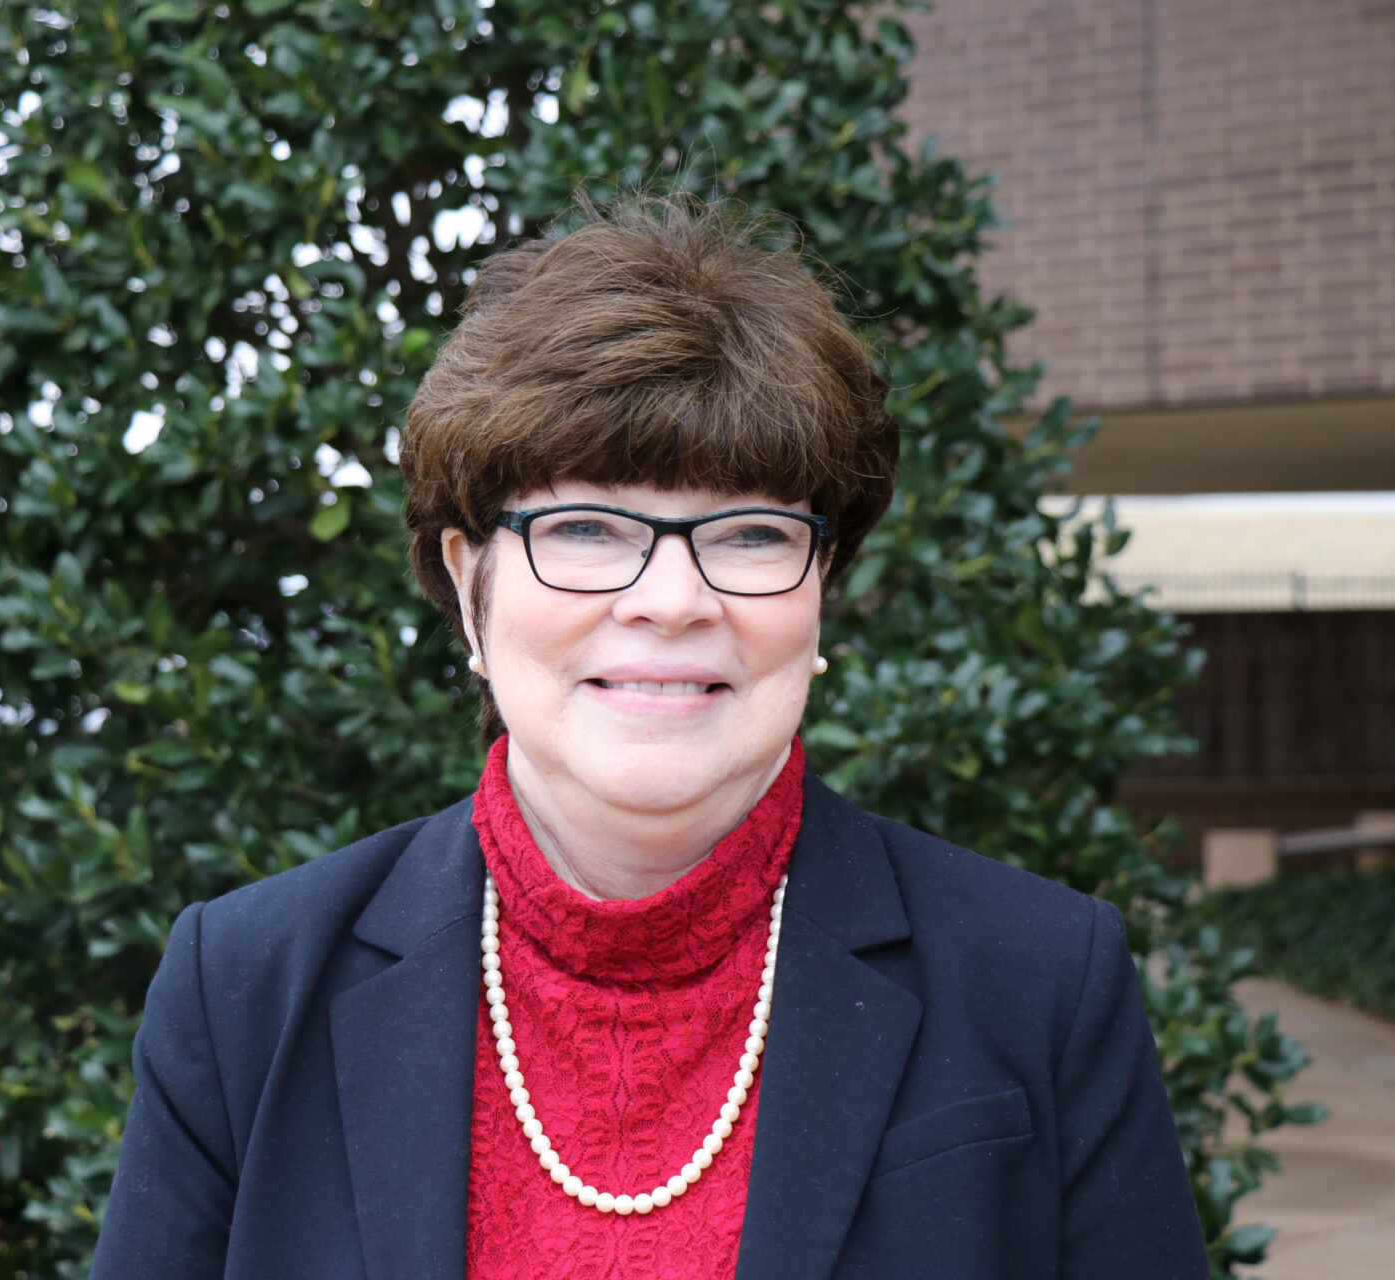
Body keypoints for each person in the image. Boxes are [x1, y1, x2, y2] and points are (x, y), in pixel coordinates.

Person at [90, 196, 1208, 1280]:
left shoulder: (1043, 979)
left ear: (821, 592)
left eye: (754, 531)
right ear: (466, 584)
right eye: (583, 525)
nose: (672, 598)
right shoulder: (245, 985)